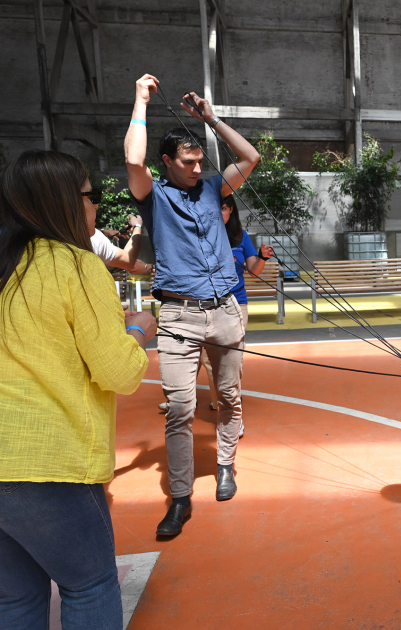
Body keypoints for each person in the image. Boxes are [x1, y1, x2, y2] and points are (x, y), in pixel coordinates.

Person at [0, 150, 155, 629]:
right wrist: (138, 331)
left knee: (16, 600)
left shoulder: (8, 266)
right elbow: (118, 372)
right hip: (48, 466)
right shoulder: (76, 266)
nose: (95, 206)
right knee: (89, 586)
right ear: (66, 202)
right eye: (92, 195)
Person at [125, 74, 260, 537]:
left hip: (224, 311)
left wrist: (211, 119)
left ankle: (226, 465)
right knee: (181, 407)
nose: (197, 168)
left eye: (200, 160)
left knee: (228, 398)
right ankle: (180, 498)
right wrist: (141, 100)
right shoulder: (153, 196)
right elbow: (132, 158)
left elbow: (251, 157)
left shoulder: (212, 189)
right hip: (178, 315)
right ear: (168, 162)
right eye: (187, 162)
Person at [159, 196, 275, 438]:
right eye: (215, 207)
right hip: (202, 304)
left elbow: (254, 270)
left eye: (224, 207)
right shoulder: (197, 234)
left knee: (227, 362)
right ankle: (187, 403)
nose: (219, 212)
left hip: (235, 304)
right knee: (199, 357)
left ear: (231, 210)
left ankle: (231, 413)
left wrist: (262, 258)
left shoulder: (240, 237)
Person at [89, 207, 150, 274]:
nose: (96, 206)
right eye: (92, 199)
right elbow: (127, 260)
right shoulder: (94, 239)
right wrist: (137, 226)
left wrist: (103, 232)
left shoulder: (79, 235)